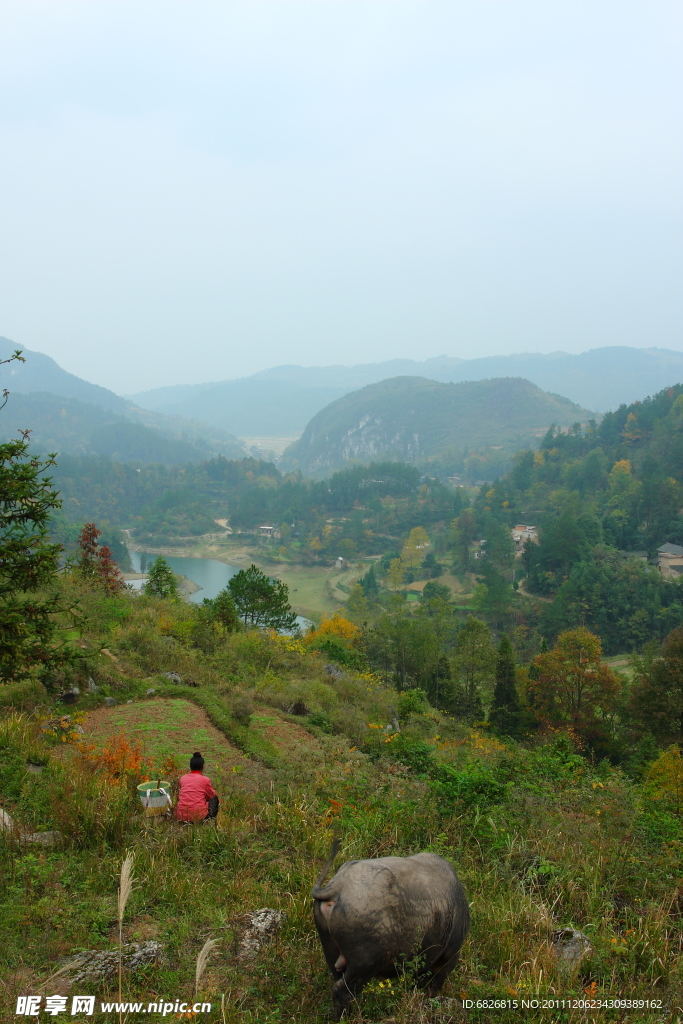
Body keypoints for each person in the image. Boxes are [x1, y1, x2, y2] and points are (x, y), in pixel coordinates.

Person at [175, 751, 219, 823]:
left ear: (190, 766)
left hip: (181, 816)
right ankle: (210, 820)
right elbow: (211, 796)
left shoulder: (183, 778)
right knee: (214, 798)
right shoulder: (205, 780)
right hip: (198, 817)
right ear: (202, 767)